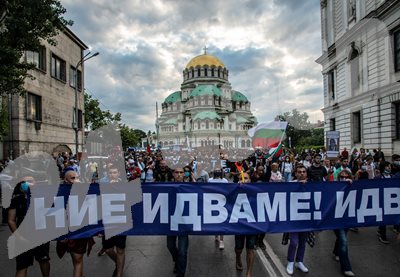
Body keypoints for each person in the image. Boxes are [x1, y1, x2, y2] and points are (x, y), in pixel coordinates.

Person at [8, 176, 51, 277]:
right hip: (23, 237)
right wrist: (19, 237)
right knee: (22, 266)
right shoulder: (16, 199)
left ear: (36, 183)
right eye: (24, 182)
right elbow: (11, 220)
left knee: (44, 260)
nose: (27, 183)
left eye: (30, 181)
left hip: (41, 236)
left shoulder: (43, 198)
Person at [56, 170, 94, 277]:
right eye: (72, 178)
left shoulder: (84, 190)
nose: (76, 180)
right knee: (76, 258)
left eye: (77, 177)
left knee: (77, 258)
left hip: (80, 231)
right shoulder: (58, 193)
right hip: (66, 231)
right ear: (65, 180)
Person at [99, 165, 127, 277]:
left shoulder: (125, 186)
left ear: (118, 174)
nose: (112, 174)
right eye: (110, 172)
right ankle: (119, 264)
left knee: (120, 250)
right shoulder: (102, 187)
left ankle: (119, 273)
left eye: (114, 172)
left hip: (122, 222)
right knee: (108, 249)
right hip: (108, 223)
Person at [166, 167, 190, 277]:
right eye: (177, 172)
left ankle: (180, 274)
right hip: (171, 222)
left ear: (184, 174)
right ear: (173, 174)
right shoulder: (166, 186)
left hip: (184, 223)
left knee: (182, 251)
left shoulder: (190, 187)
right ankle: (177, 261)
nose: (179, 174)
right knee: (170, 246)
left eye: (181, 172)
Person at [286, 164, 310, 275]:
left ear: (306, 173)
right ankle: (290, 261)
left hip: (306, 218)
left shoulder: (312, 185)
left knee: (303, 242)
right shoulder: (290, 184)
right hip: (293, 218)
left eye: (304, 171)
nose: (301, 173)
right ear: (296, 174)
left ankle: (299, 261)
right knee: (294, 242)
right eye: (299, 172)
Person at [333, 170, 355, 277]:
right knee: (343, 240)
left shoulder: (352, 186)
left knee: (342, 238)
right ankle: (346, 267)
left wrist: (352, 185)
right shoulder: (333, 186)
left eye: (346, 176)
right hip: (336, 219)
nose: (344, 178)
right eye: (342, 176)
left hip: (347, 218)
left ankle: (336, 252)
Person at [234, 171, 257, 277]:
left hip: (252, 224)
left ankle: (249, 272)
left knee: (250, 248)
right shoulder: (233, 191)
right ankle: (238, 257)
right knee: (239, 248)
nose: (243, 180)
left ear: (250, 180)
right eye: (241, 178)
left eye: (246, 178)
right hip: (239, 224)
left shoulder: (257, 191)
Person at [208, 167, 228, 250]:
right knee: (215, 220)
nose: (217, 172)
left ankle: (222, 240)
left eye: (219, 170)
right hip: (212, 203)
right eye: (216, 170)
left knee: (221, 222)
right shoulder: (210, 180)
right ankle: (216, 235)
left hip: (222, 203)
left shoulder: (225, 181)